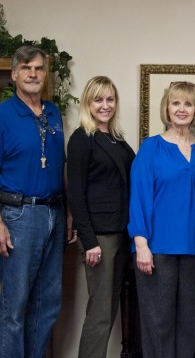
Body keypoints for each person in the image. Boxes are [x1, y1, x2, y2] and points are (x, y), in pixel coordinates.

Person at [128, 81, 195, 358]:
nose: (181, 109)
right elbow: (139, 198)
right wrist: (141, 244)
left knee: (190, 325)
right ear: (167, 108)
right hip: (157, 249)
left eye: (188, 104)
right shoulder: (151, 148)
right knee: (159, 323)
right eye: (176, 103)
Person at [0, 46, 72, 358]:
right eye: (26, 68)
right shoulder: (3, 114)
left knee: (48, 303)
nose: (33, 74)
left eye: (39, 68)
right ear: (14, 74)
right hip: (18, 216)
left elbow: (60, 165)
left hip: (54, 213)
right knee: (14, 307)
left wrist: (68, 212)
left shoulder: (53, 113)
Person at [67, 76, 135, 358]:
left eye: (110, 99)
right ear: (88, 103)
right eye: (98, 99)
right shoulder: (82, 138)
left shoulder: (117, 139)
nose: (105, 105)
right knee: (100, 312)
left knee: (110, 309)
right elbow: (76, 194)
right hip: (100, 238)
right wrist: (89, 240)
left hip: (121, 232)